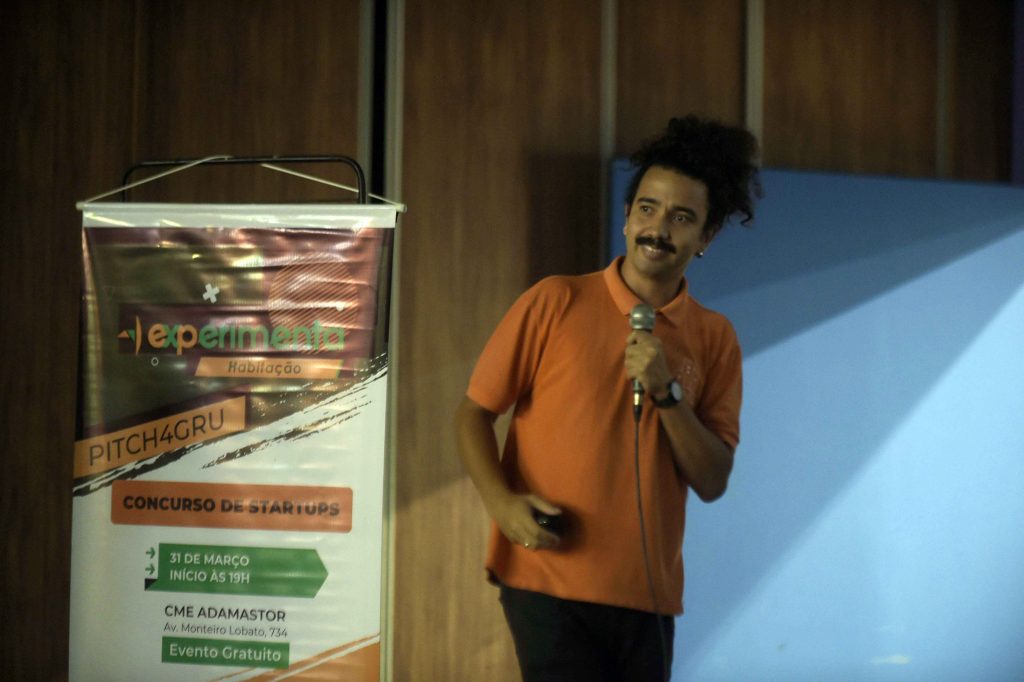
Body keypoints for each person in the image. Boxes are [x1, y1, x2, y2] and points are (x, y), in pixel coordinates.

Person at [455, 115, 760, 681]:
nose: (657, 228)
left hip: (648, 594)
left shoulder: (716, 338)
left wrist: (667, 392)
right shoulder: (556, 301)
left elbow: (713, 479)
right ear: (626, 216)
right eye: (647, 208)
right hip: (548, 578)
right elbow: (474, 414)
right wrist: (502, 504)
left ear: (706, 237)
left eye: (682, 217)